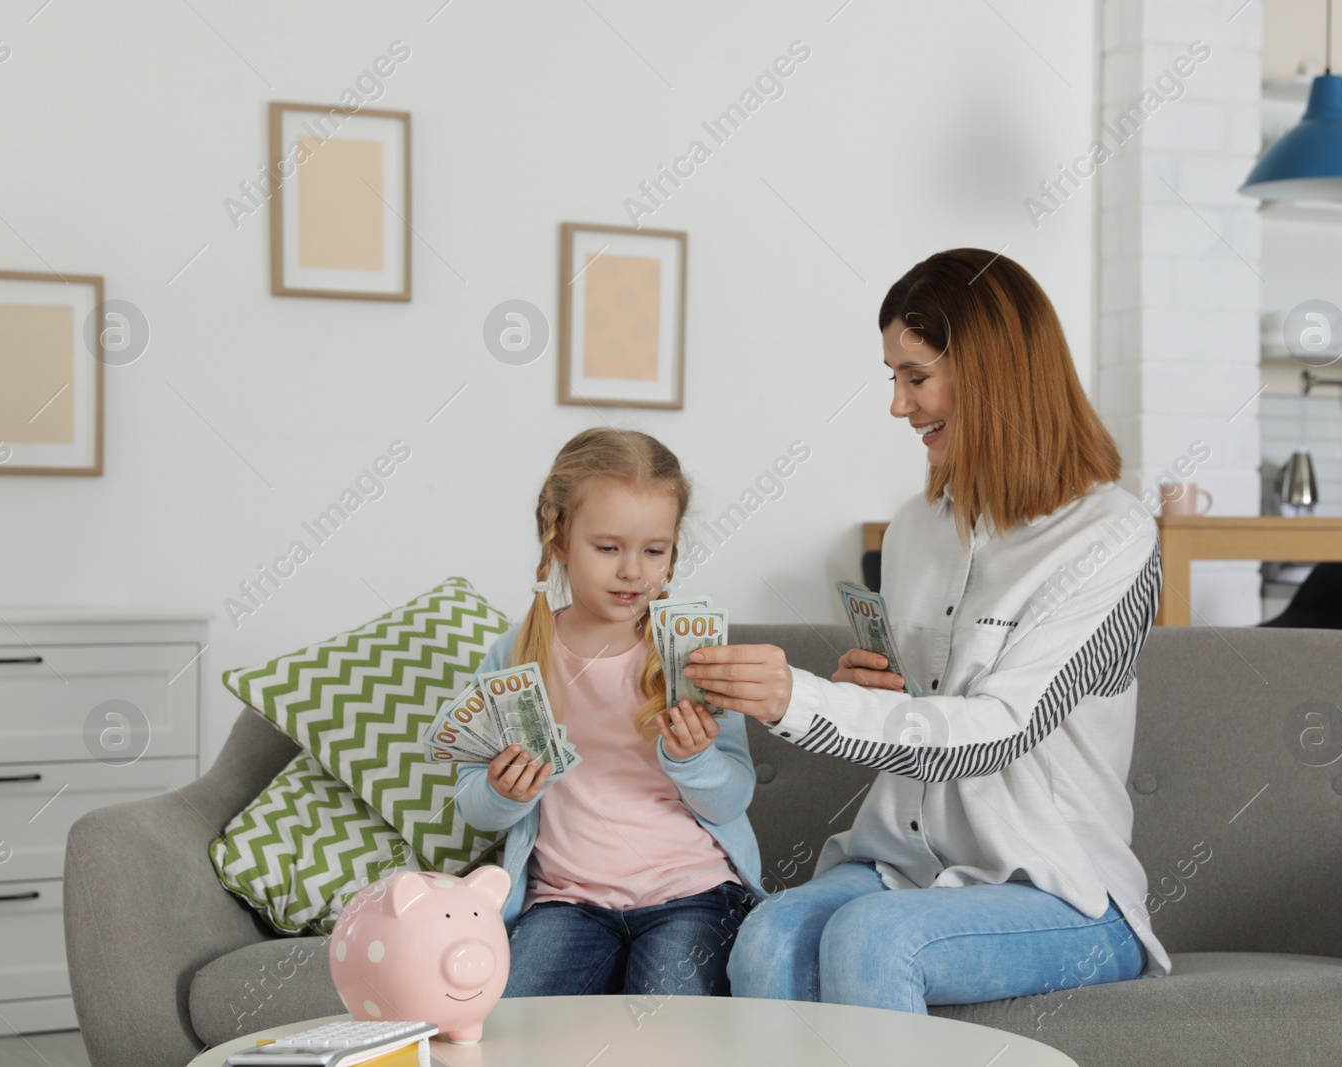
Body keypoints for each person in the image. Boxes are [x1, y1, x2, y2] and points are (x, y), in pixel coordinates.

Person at [689, 249, 1173, 1013]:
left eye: (915, 377)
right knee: (769, 935)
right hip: (904, 860)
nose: (898, 405)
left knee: (875, 939)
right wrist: (871, 688)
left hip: (1058, 887)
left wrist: (804, 700)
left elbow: (1000, 729)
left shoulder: (1109, 536)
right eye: (895, 379)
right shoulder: (915, 528)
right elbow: (926, 707)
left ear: (991, 372)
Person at [456, 427, 763, 998]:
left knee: (671, 1033)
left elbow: (732, 797)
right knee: (515, 1030)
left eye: (654, 551)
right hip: (566, 902)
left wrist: (695, 761)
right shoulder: (514, 656)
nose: (632, 572)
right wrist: (505, 792)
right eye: (607, 548)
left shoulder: (692, 658)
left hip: (693, 893)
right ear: (559, 540)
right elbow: (474, 805)